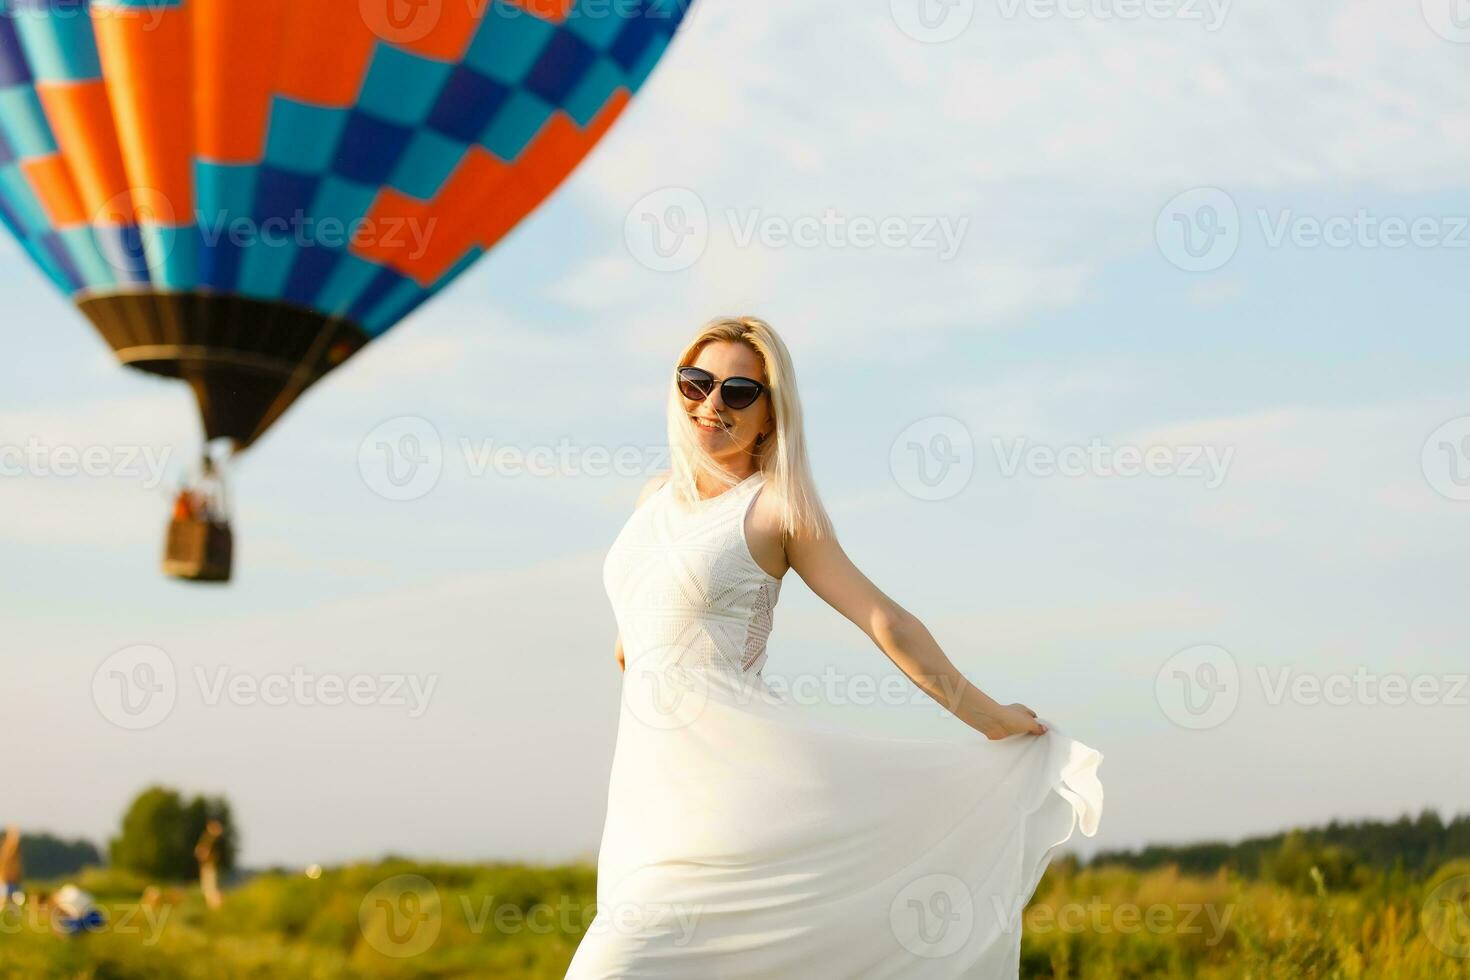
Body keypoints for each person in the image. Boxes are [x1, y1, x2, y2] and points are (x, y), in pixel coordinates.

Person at [565, 316, 1104, 979]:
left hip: (731, 800)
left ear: (769, 415)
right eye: (696, 382)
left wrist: (991, 718)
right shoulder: (652, 499)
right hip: (646, 804)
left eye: (738, 392)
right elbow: (645, 633)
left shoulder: (776, 508)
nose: (711, 405)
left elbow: (885, 621)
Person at [195, 819, 224, 910]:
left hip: (210, 867)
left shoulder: (212, 839)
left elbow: (201, 852)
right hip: (208, 867)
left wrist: (203, 854)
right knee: (208, 890)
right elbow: (200, 851)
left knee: (211, 890)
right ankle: (215, 910)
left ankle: (216, 909)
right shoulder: (209, 838)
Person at [0, 824, 22, 906]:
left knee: (14, 903)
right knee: (4, 902)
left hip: (14, 880)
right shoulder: (6, 848)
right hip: (6, 879)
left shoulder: (17, 848)